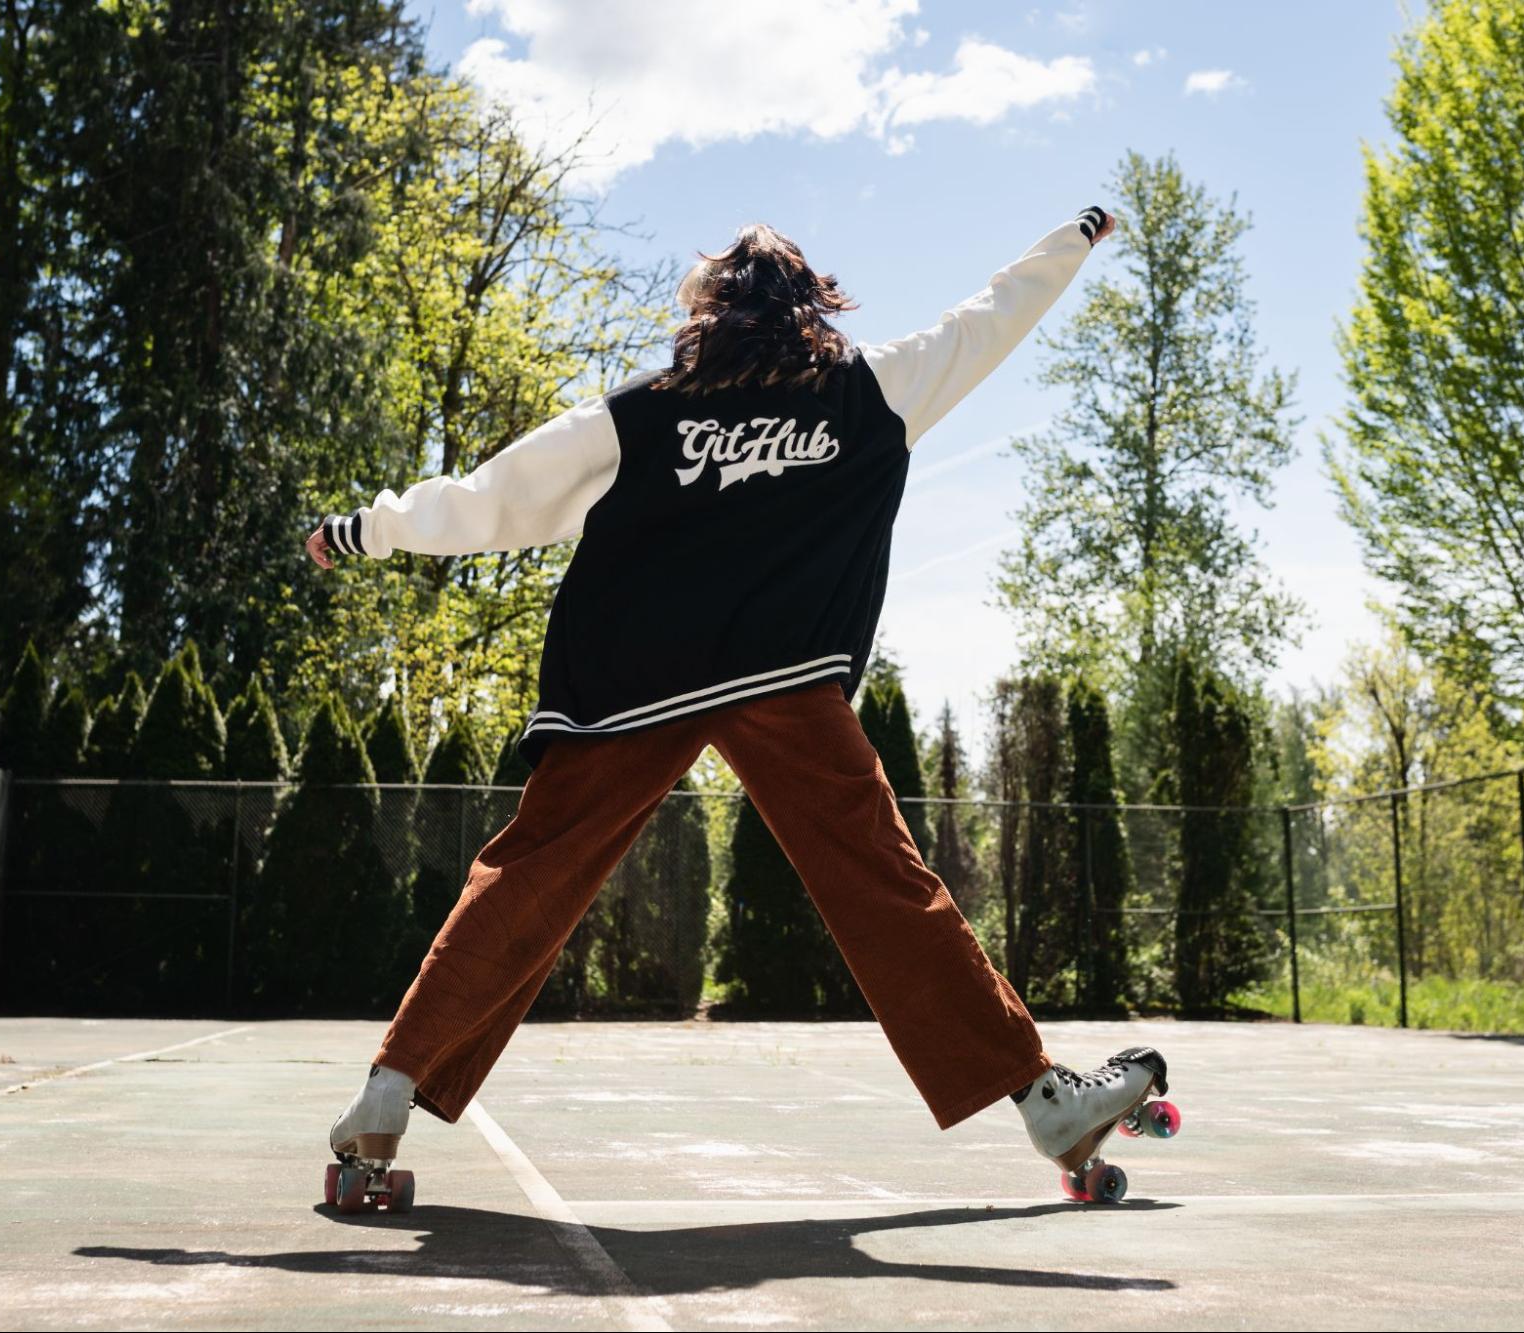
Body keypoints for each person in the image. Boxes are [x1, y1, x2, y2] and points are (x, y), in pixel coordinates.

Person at [307, 204, 1167, 1202]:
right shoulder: (870, 390)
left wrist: (363, 531)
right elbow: (990, 316)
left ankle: (388, 1090)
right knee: (885, 883)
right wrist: (1075, 236)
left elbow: (495, 497)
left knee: (530, 872)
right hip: (783, 680)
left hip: (631, 680)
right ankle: (1041, 1099)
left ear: (708, 314)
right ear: (813, 308)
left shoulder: (641, 411)